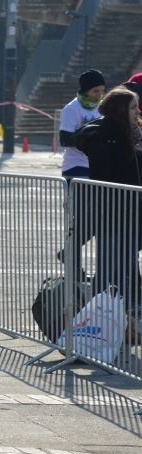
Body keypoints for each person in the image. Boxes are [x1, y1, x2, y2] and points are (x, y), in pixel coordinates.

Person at [75, 87, 142, 312]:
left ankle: (129, 311)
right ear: (120, 109)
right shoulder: (104, 134)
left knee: (127, 265)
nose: (137, 111)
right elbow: (85, 137)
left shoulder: (133, 133)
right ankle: (91, 316)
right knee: (109, 267)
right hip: (112, 209)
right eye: (133, 107)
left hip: (132, 209)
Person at [57, 69, 106, 278]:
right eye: (96, 91)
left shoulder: (102, 108)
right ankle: (72, 262)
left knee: (95, 219)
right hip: (75, 169)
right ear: (85, 91)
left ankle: (68, 254)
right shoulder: (72, 109)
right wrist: (88, 135)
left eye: (102, 91)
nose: (99, 95)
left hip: (96, 168)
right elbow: (65, 139)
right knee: (85, 219)